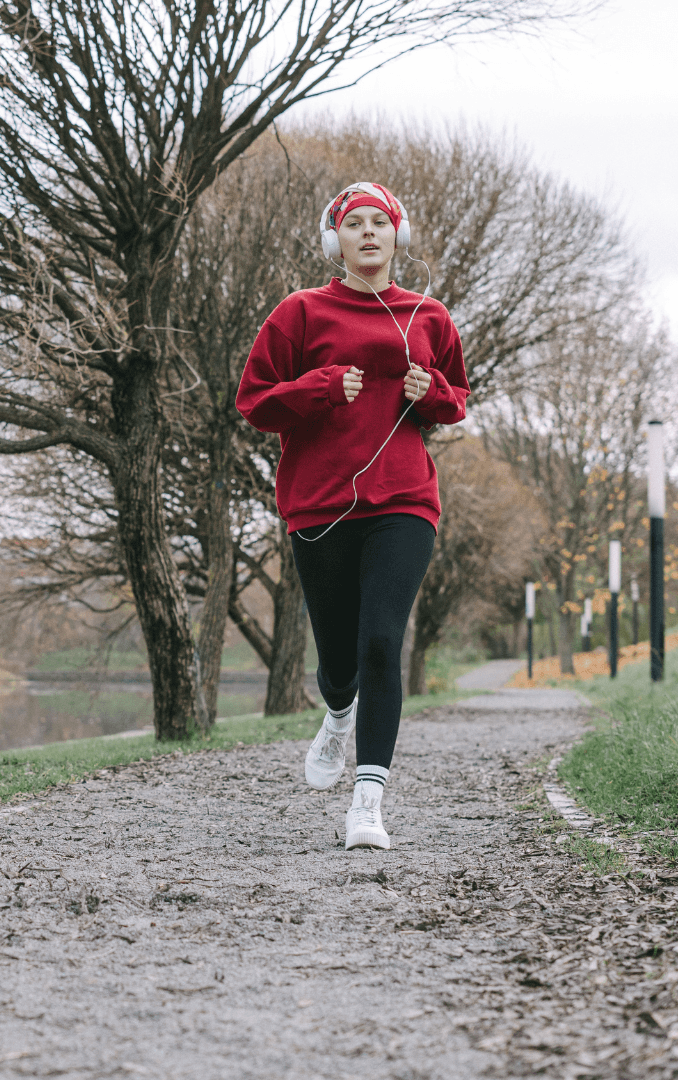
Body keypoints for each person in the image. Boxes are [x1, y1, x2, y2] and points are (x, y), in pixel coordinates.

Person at [235, 182, 470, 851]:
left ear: (399, 234)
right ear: (333, 238)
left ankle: (367, 802)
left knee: (378, 643)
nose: (367, 232)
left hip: (404, 502)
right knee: (338, 656)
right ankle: (338, 714)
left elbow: (457, 398)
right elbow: (254, 402)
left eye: (379, 222)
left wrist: (433, 395)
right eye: (353, 223)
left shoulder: (429, 316)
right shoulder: (300, 313)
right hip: (320, 503)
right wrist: (317, 387)